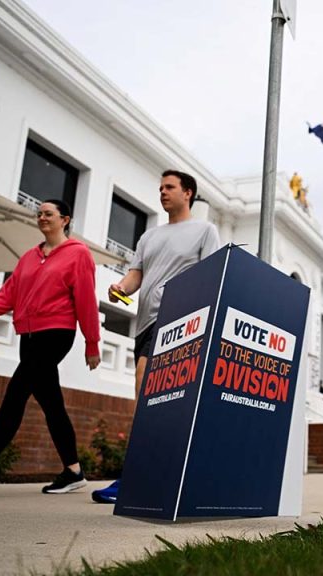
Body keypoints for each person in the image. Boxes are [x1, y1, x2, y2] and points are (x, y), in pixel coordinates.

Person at [0, 199, 101, 496]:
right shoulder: (28, 258)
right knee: (53, 405)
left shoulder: (78, 255)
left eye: (48, 214)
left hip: (56, 333)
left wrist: (92, 342)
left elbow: (87, 301)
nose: (42, 217)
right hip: (28, 337)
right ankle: (74, 471)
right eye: (38, 214)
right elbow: (7, 295)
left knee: (15, 396)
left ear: (65, 219)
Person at [92, 169, 220, 504]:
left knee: (146, 389)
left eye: (170, 187)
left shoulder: (205, 231)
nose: (162, 192)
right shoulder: (149, 237)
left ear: (188, 193)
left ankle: (134, 477)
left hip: (180, 321)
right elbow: (137, 276)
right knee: (152, 400)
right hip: (145, 324)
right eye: (160, 187)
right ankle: (164, 474)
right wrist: (121, 287)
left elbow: (212, 277)